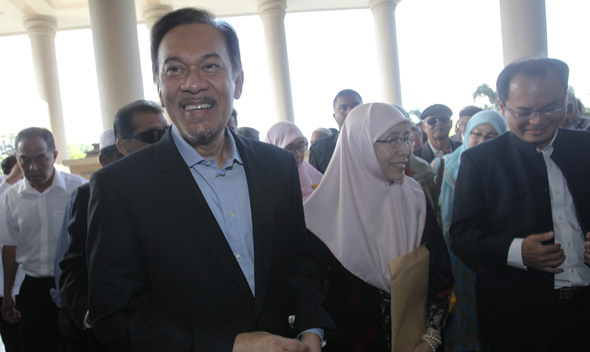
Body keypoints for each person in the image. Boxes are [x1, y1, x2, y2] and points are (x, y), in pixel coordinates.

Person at [86, 8, 333, 352]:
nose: (192, 83)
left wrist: (311, 329)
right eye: (174, 69)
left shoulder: (277, 166)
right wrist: (231, 345)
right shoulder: (119, 188)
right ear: (159, 87)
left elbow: (297, 264)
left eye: (210, 66)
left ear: (239, 81)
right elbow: (113, 318)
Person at [451, 58, 590, 351]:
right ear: (503, 107)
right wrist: (517, 251)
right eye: (524, 111)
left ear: (565, 100)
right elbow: (463, 234)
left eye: (551, 107)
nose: (537, 120)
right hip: (519, 318)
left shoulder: (585, 148)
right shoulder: (480, 160)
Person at [304, 103, 453, 352]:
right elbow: (307, 303)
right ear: (359, 145)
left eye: (406, 138)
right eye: (393, 140)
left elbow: (441, 278)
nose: (406, 149)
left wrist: (431, 338)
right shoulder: (316, 218)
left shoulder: (415, 198)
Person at [0, 127, 87, 352]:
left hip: (75, 284)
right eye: (24, 160)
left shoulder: (79, 189)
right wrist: (9, 293)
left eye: (41, 159)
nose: (32, 167)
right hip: (33, 289)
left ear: (54, 156)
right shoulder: (11, 197)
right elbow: (10, 247)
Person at [432, 110, 507, 352]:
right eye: (477, 134)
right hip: (454, 262)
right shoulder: (443, 166)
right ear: (466, 134)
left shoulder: (510, 170)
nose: (483, 142)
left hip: (495, 259)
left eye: (492, 136)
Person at [265, 121, 322, 201]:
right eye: (290, 148)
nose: (298, 154)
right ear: (274, 150)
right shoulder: (266, 185)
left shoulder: (314, 177)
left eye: (301, 146)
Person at [309, 89, 362, 173]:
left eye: (355, 107)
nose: (350, 112)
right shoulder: (318, 151)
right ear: (335, 116)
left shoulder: (378, 143)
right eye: (344, 108)